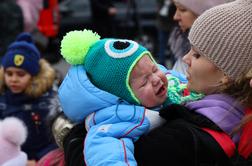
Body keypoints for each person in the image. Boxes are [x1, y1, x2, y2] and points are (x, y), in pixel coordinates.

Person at [53, 0, 252, 165]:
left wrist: (73, 136)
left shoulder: (184, 138)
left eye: (198, 54)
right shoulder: (217, 105)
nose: (185, 58)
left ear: (226, 73)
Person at [59, 29, 203, 165]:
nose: (156, 79)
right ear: (125, 97)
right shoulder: (116, 119)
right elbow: (108, 156)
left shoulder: (171, 81)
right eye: (144, 81)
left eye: (154, 69)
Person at [0, 32, 58, 162]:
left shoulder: (47, 101)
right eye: (9, 74)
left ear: (33, 76)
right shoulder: (2, 98)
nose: (13, 79)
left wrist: (39, 159)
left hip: (42, 159)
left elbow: (54, 137)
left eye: (21, 74)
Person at [169, 0, 230, 75]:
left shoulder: (219, 54)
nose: (175, 17)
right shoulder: (182, 43)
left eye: (182, 9)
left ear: (203, 14)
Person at [156, 0, 176, 67]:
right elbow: (160, 12)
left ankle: (174, 63)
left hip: (172, 26)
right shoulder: (162, 3)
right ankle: (161, 63)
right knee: (162, 45)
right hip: (163, 26)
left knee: (173, 47)